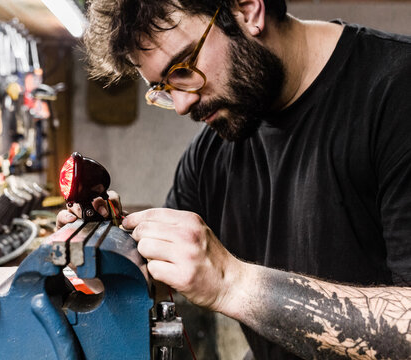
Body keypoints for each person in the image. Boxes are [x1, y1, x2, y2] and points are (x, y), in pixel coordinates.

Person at [58, 0, 411, 358]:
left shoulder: (397, 92)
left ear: (248, 10)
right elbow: (158, 274)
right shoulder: (213, 151)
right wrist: (104, 256)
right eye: (164, 87)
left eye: (182, 68)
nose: (181, 105)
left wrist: (233, 283)